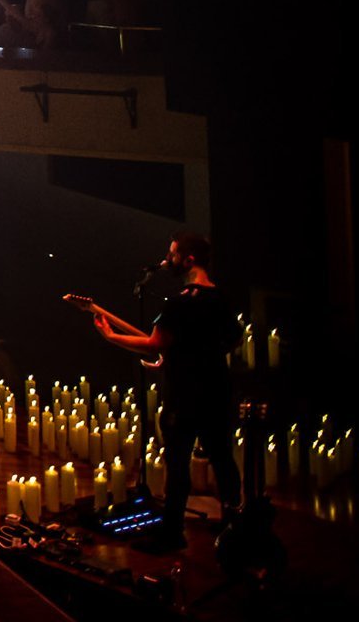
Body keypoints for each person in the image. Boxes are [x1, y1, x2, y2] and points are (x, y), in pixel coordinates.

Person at [90, 233, 242, 550]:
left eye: (172, 254)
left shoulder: (179, 301)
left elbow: (155, 343)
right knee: (223, 459)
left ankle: (172, 533)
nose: (166, 259)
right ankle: (234, 527)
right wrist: (188, 357)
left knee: (177, 463)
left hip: (184, 395)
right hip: (217, 391)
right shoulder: (220, 299)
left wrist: (110, 337)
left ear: (188, 260)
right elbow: (232, 340)